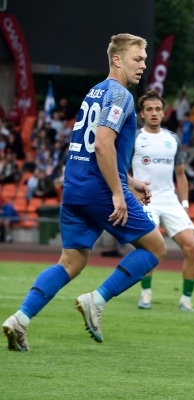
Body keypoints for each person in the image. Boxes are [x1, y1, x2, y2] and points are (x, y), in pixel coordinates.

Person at [2, 34, 167, 352]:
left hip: (75, 187)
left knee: (70, 263)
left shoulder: (95, 91)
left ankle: (20, 319)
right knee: (156, 249)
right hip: (100, 190)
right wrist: (119, 194)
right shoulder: (120, 95)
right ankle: (97, 299)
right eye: (138, 59)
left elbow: (95, 148)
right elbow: (103, 144)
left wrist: (129, 182)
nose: (143, 66)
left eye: (145, 60)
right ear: (117, 59)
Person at [132, 90, 194, 312]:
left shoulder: (173, 139)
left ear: (163, 112)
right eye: (149, 109)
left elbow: (180, 175)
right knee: (151, 249)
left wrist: (185, 204)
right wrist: (133, 190)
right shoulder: (134, 138)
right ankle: (146, 293)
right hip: (145, 200)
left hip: (170, 200)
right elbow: (120, 170)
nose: (154, 113)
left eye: (158, 109)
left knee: (191, 248)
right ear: (142, 114)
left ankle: (186, 299)